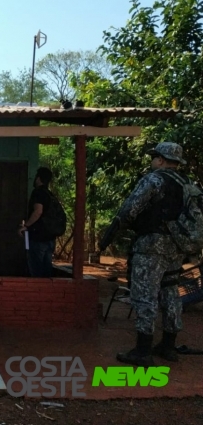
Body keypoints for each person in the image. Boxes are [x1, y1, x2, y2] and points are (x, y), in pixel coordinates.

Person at [100, 142, 186, 366]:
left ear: (161, 159)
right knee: (170, 292)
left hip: (151, 246)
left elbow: (130, 209)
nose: (152, 161)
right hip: (176, 247)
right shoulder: (187, 184)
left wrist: (117, 229)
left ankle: (143, 349)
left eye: (154, 157)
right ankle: (169, 345)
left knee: (145, 294)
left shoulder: (154, 180)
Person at [17, 167, 56, 277]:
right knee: (46, 268)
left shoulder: (38, 192)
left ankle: (38, 292)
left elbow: (38, 211)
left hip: (39, 237)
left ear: (38, 178)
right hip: (50, 238)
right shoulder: (50, 194)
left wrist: (26, 226)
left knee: (36, 270)